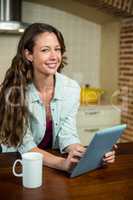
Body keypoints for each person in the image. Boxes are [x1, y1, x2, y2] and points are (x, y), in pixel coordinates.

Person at [0, 23, 115, 171]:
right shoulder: (14, 91)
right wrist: (63, 164)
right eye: (45, 50)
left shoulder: (71, 88)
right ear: (29, 55)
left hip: (50, 161)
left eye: (57, 49)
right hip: (15, 164)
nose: (54, 56)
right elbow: (26, 146)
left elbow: (68, 135)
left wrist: (87, 154)